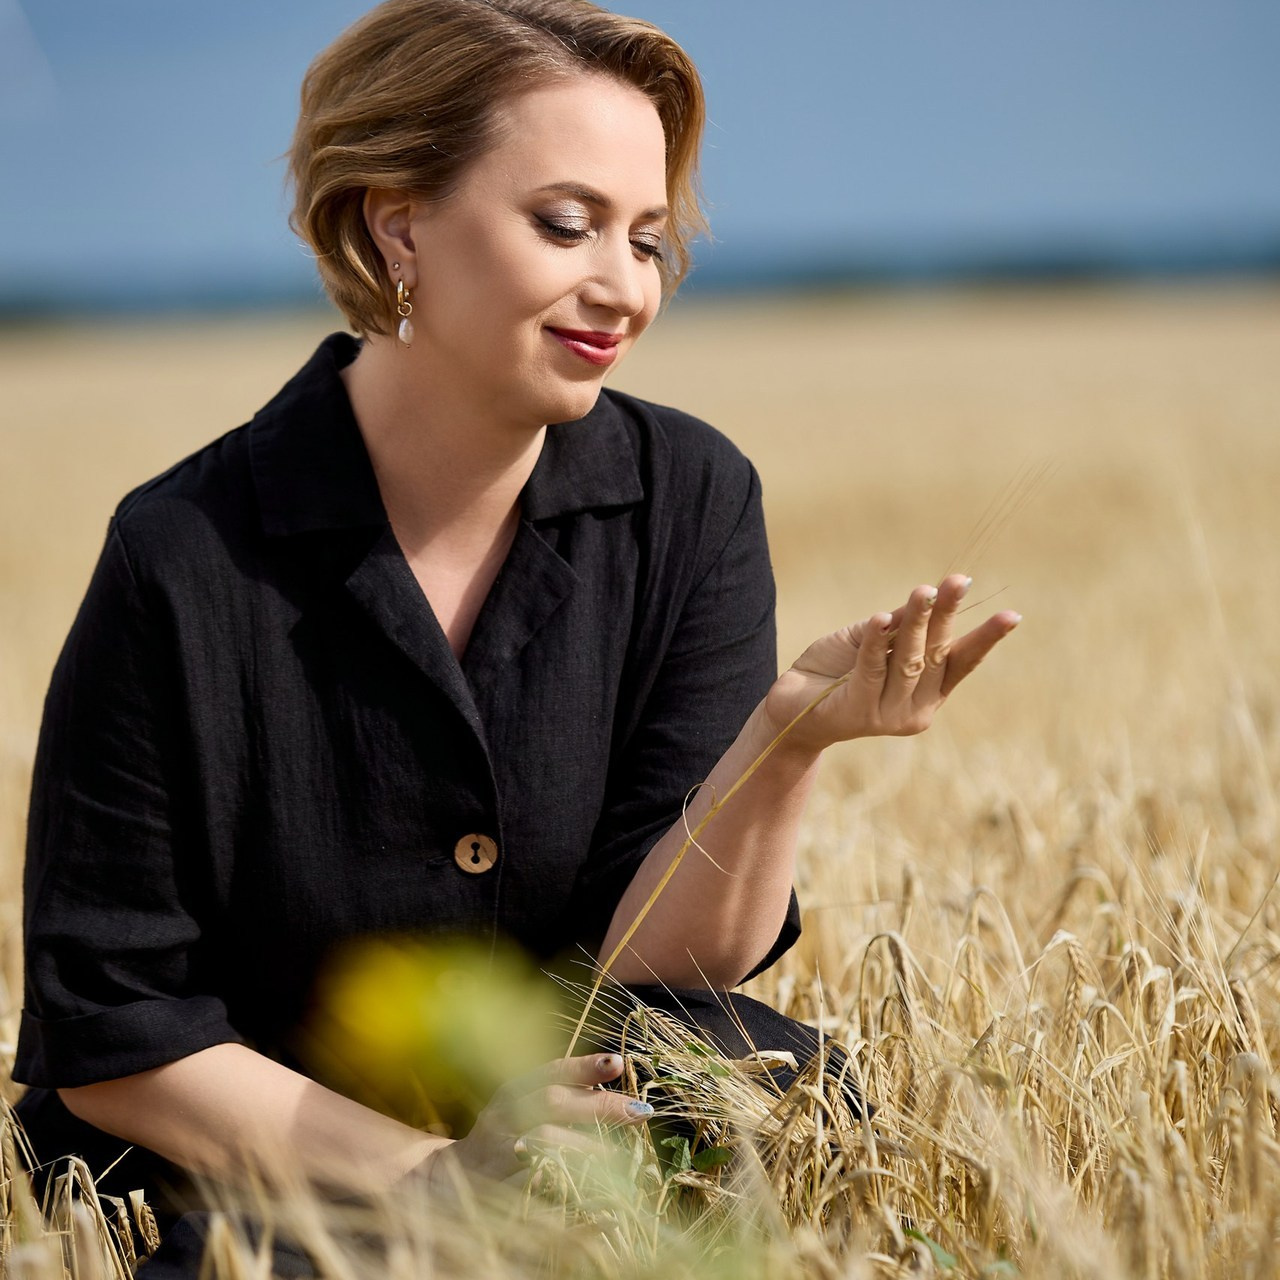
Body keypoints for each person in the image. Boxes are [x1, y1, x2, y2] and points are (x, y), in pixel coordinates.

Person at [13, 0, 1019, 1268]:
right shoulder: (179, 554)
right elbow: (114, 1026)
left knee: (763, 1106)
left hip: (563, 1124)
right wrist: (438, 1175)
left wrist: (781, 743)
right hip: (253, 1169)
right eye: (564, 223)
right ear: (398, 224)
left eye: (646, 238)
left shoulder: (692, 499)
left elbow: (649, 972)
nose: (624, 285)